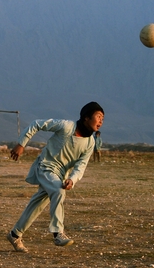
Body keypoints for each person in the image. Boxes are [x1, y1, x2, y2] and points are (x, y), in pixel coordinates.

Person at [6, 101, 104, 252]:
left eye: (102, 119)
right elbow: (36, 124)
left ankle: (15, 234)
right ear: (86, 118)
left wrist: (72, 179)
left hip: (60, 175)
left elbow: (81, 165)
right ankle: (58, 233)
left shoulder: (90, 142)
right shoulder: (66, 126)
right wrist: (21, 144)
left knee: (37, 205)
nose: (100, 121)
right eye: (98, 117)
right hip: (45, 166)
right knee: (58, 191)